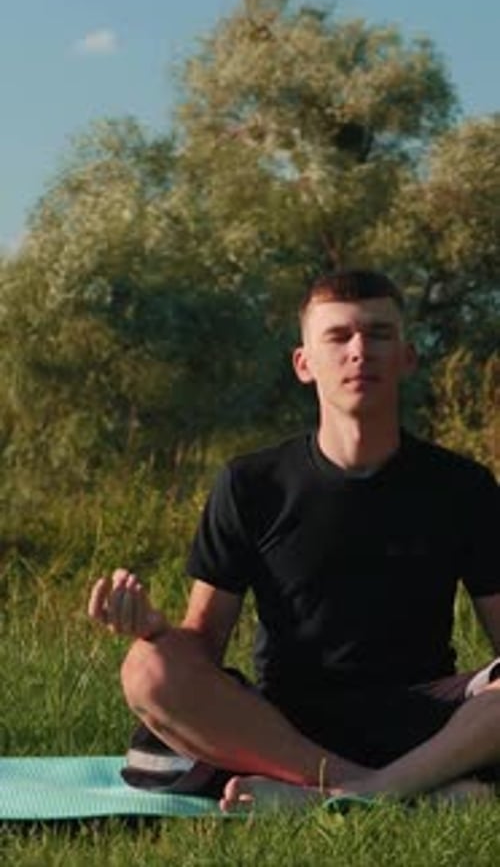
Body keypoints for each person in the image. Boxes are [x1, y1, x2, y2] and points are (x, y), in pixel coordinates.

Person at [88, 269, 500, 811]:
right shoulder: (251, 484)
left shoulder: (462, 485)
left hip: (422, 716)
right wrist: (157, 631)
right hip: (283, 726)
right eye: (339, 336)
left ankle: (361, 793)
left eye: (379, 334)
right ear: (304, 364)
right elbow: (203, 647)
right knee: (148, 669)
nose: (359, 351)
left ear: (407, 357)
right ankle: (401, 789)